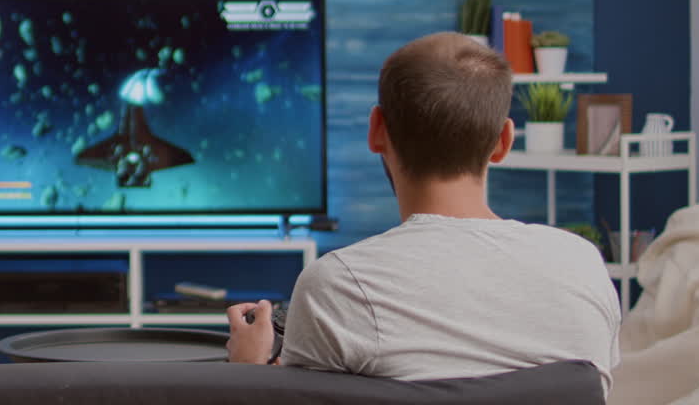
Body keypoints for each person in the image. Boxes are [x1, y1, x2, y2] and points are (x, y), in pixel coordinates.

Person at [226, 32, 620, 394]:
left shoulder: (339, 285)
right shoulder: (582, 264)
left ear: (376, 130)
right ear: (504, 141)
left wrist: (249, 373)